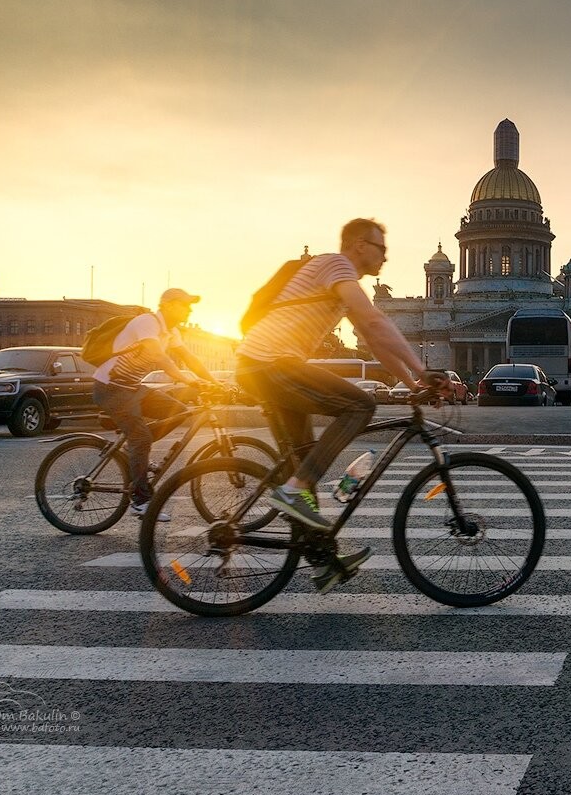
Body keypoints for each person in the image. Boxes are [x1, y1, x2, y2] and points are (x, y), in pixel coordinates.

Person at [236, 218, 449, 593]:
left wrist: (413, 381)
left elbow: (374, 337)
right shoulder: (336, 265)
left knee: (303, 460)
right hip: (268, 362)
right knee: (360, 405)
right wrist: (423, 368)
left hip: (266, 365)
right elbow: (374, 319)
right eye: (381, 248)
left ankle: (323, 563)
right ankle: (292, 490)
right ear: (359, 246)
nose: (386, 256)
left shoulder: (342, 283)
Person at [93, 288, 218, 517]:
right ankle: (140, 501)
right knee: (141, 438)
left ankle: (137, 449)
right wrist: (190, 381)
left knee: (178, 412)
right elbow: (160, 357)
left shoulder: (170, 332)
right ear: (168, 305)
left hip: (132, 388)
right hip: (111, 387)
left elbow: (190, 359)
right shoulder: (147, 323)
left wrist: (214, 382)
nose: (189, 310)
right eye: (185, 304)